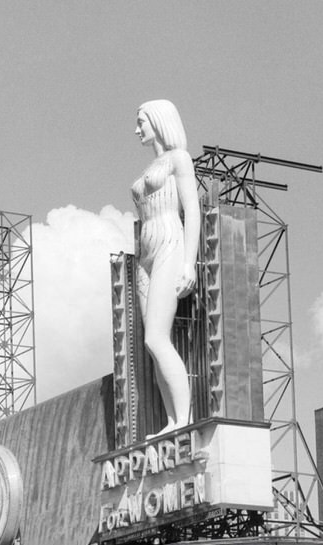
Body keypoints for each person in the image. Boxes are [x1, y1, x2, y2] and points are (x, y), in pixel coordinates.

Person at [132, 99, 200, 436]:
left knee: (158, 338)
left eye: (141, 121)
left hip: (170, 245)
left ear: (159, 122)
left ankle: (184, 419)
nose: (137, 129)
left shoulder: (179, 159)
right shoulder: (155, 164)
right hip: (145, 253)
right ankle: (172, 421)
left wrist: (189, 261)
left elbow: (193, 210)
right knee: (150, 342)